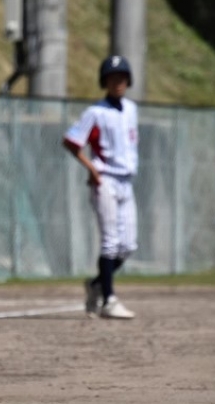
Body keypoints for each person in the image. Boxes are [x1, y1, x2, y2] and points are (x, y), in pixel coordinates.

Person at [62, 54, 139, 320]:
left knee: (128, 246)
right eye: (112, 78)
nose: (117, 82)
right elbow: (71, 141)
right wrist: (92, 168)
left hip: (126, 181)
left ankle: (96, 284)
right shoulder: (95, 112)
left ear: (128, 80)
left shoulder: (131, 109)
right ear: (104, 82)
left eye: (122, 77)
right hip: (105, 180)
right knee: (110, 243)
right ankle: (109, 300)